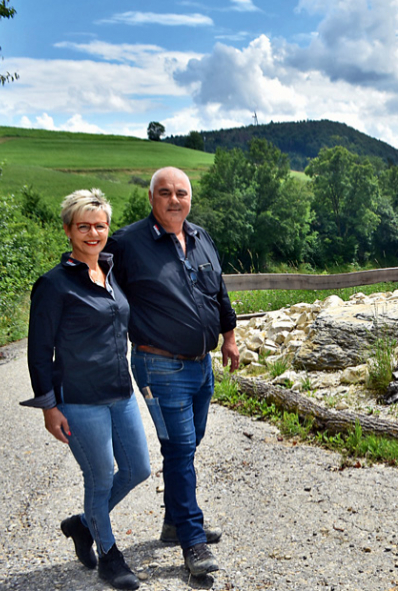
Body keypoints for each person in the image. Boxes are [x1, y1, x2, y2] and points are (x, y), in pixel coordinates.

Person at [106, 166, 239, 576]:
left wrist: (229, 337)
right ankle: (192, 542)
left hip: (202, 366)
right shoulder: (127, 244)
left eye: (182, 192)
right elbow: (97, 287)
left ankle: (172, 521)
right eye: (165, 192)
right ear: (151, 198)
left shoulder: (200, 238)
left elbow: (219, 290)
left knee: (190, 442)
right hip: (158, 364)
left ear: (190, 198)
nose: (174, 199)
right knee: (180, 449)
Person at [22, 189, 150, 591]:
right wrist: (48, 407)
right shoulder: (54, 285)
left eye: (100, 225)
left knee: (137, 470)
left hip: (120, 392)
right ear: (68, 230)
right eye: (84, 226)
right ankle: (110, 558)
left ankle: (82, 524)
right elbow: (39, 351)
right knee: (99, 479)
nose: (93, 233)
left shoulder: (110, 274)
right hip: (79, 400)